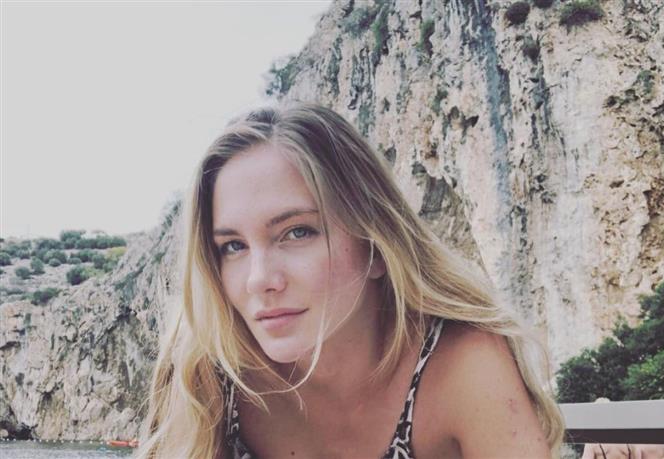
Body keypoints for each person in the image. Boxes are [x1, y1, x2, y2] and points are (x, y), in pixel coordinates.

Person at [137, 102, 565, 458]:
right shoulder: (206, 376)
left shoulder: (461, 366)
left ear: (375, 245)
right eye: (233, 246)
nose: (259, 279)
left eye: (297, 232)